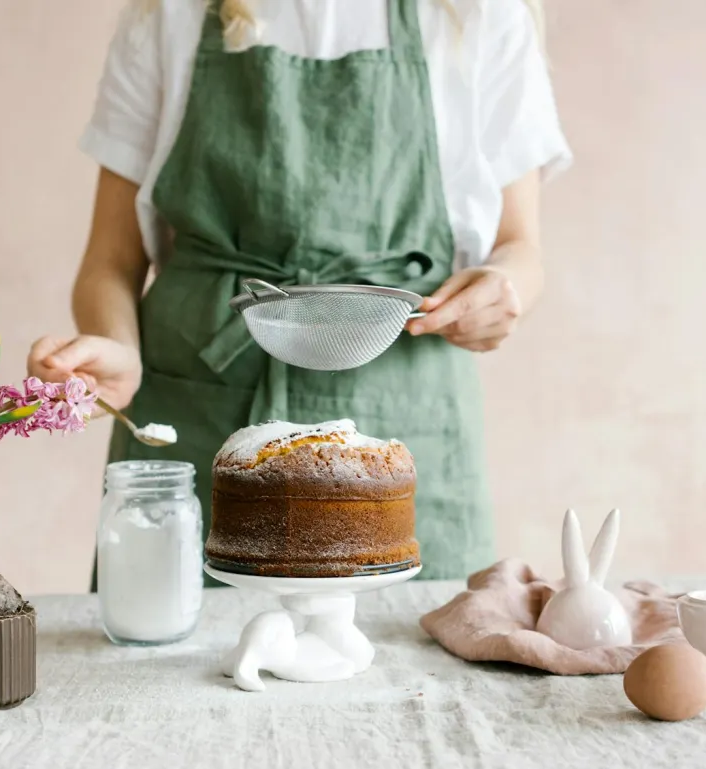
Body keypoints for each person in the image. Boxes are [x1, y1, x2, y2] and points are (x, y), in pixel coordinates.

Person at [28, 0, 571, 585]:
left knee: (414, 655)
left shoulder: (478, 13)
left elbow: (521, 248)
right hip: (197, 406)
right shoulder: (170, 13)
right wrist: (119, 351)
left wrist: (503, 289)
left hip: (407, 401)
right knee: (168, 657)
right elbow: (110, 260)